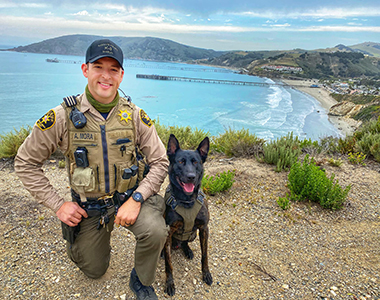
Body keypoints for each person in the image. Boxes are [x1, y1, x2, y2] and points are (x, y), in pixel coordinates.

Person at [15, 39, 169, 300]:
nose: (105, 76)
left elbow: (161, 161)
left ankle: (142, 279)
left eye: (113, 69)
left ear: (121, 75)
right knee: (93, 269)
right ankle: (91, 244)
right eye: (99, 67)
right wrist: (58, 205)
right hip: (89, 207)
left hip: (128, 200)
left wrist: (138, 198)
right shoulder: (62, 116)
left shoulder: (134, 115)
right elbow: (25, 163)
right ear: (85, 70)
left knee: (156, 231)